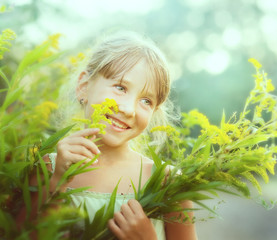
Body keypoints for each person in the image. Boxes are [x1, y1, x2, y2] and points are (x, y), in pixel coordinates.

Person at [40, 31, 197, 239]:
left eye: (146, 101)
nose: (129, 109)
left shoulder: (167, 183)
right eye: (120, 87)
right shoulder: (48, 168)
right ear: (83, 87)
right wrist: (56, 185)